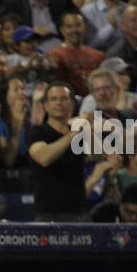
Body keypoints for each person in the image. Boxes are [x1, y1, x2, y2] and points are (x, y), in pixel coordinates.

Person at [27, 82, 90, 221]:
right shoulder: (37, 132)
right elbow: (44, 158)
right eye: (54, 99)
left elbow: (98, 154)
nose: (59, 103)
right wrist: (73, 134)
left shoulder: (81, 132)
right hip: (48, 214)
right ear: (45, 105)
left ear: (72, 104)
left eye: (64, 98)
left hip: (79, 213)